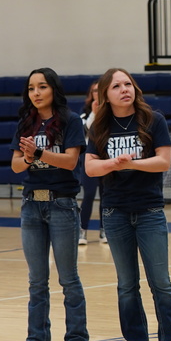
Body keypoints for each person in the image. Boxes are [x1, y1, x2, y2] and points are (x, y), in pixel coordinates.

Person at [85, 68, 171, 341]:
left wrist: (129, 163)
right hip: (114, 212)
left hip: (149, 212)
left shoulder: (152, 119)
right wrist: (113, 163)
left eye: (128, 84)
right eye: (117, 86)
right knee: (126, 284)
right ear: (106, 94)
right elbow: (91, 168)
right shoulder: (99, 126)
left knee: (161, 283)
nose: (124, 89)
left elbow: (163, 161)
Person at [10, 68, 89, 341]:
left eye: (42, 86)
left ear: (53, 89)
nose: (36, 93)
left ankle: (77, 340)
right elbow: (17, 166)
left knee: (68, 278)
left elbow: (70, 161)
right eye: (31, 88)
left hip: (62, 205)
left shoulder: (70, 121)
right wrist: (28, 157)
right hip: (31, 205)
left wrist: (38, 154)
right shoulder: (25, 122)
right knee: (36, 279)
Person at [77, 81, 105, 245]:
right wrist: (94, 113)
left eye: (100, 90)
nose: (97, 93)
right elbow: (84, 132)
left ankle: (104, 229)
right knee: (88, 194)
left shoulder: (111, 111)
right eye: (95, 90)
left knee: (105, 194)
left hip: (106, 157)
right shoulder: (84, 113)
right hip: (89, 157)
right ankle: (82, 229)